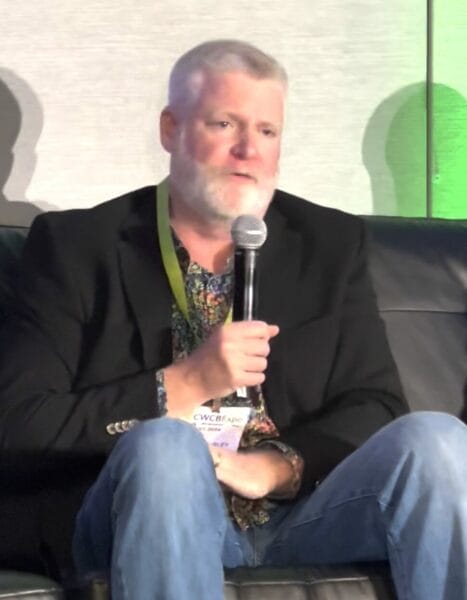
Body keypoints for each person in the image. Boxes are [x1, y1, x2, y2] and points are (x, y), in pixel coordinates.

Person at [0, 39, 466, 600]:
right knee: (167, 448)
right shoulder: (79, 246)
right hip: (148, 509)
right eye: (225, 124)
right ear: (171, 129)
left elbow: (377, 406)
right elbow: (18, 422)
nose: (249, 149)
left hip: (300, 515)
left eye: (267, 131)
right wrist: (182, 385)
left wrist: (275, 468)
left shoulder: (329, 243)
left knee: (438, 439)